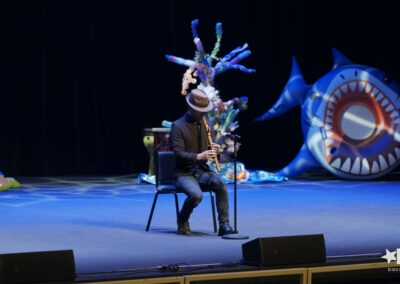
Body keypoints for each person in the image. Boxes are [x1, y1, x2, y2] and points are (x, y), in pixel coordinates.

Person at [171, 89, 234, 236]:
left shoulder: (207, 126)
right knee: (196, 195)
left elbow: (206, 150)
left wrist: (214, 150)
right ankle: (182, 219)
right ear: (191, 108)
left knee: (220, 183)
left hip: (201, 171)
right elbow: (178, 153)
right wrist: (199, 156)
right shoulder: (178, 126)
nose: (203, 114)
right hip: (183, 173)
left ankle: (224, 224)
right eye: (200, 111)